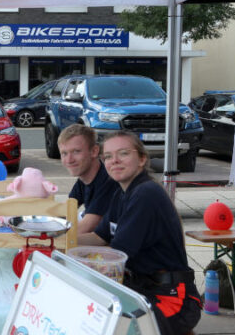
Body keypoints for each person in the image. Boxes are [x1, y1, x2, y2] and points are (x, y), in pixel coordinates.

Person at [78, 131, 201, 335]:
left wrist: (73, 254)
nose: (114, 161)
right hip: (142, 290)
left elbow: (116, 255)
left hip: (170, 299)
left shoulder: (146, 194)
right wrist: (59, 240)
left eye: (123, 153)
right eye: (108, 156)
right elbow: (99, 237)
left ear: (142, 159)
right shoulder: (122, 193)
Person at [57, 124, 119, 233]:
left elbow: (86, 227)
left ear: (94, 151)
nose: (69, 160)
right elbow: (65, 212)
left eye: (76, 151)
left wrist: (43, 240)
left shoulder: (109, 180)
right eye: (64, 153)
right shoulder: (83, 178)